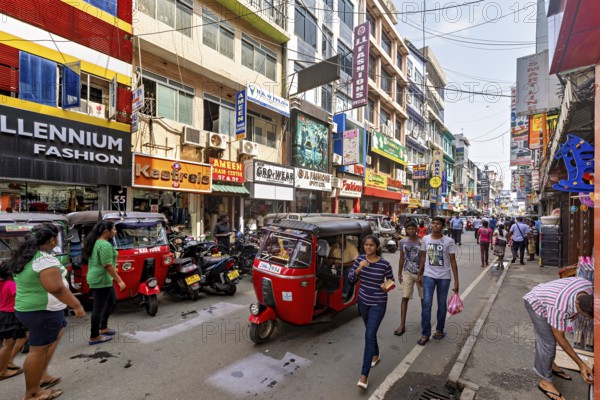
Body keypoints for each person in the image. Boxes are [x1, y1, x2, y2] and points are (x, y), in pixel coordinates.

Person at [7, 223, 85, 400]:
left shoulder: (26, 255)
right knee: (38, 350)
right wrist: (76, 304)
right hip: (42, 311)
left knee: (52, 338)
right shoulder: (44, 259)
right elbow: (56, 288)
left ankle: (41, 375)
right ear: (51, 240)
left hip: (30, 309)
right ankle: (33, 393)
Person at [523, 277, 594, 399]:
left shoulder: (589, 287)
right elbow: (560, 338)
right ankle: (545, 382)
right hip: (535, 301)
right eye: (583, 315)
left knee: (549, 341)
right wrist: (581, 364)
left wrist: (577, 313)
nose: (585, 319)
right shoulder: (560, 307)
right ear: (576, 304)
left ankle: (550, 365)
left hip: (549, 296)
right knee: (548, 343)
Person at [347, 235, 394, 390]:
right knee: (370, 333)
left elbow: (391, 282)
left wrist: (384, 286)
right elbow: (350, 279)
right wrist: (359, 268)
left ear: (377, 247)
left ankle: (364, 375)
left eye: (371, 245)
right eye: (366, 245)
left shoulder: (384, 264)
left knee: (368, 335)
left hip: (378, 303)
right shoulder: (359, 259)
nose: (368, 247)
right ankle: (376, 355)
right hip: (363, 302)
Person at [417, 216, 459, 346]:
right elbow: (423, 256)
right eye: (433, 223)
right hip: (428, 276)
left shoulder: (449, 241)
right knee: (426, 304)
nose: (435, 225)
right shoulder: (425, 239)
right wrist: (420, 273)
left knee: (441, 304)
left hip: (444, 277)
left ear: (443, 226)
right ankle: (425, 334)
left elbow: (452, 260)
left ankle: (440, 330)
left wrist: (457, 281)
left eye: (438, 224)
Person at [83, 221, 126, 345]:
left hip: (103, 278)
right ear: (106, 231)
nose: (115, 231)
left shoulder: (97, 242)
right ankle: (94, 336)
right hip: (100, 279)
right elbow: (108, 265)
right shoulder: (104, 245)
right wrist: (120, 281)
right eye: (114, 229)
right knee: (98, 308)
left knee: (112, 300)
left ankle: (103, 327)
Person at [0, 262, 28, 380]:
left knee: (18, 338)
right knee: (9, 342)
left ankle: (9, 362)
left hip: (4, 315)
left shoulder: (2, 283)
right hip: (11, 315)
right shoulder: (11, 284)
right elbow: (20, 298)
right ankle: (2, 371)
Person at [394, 222, 422, 337]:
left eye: (413, 229)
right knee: (405, 297)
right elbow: (401, 258)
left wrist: (422, 273)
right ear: (406, 230)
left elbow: (425, 258)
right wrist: (399, 273)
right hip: (407, 272)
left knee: (424, 298)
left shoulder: (422, 242)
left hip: (421, 273)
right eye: (409, 229)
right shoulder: (402, 242)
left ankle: (424, 320)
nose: (411, 231)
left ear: (416, 229)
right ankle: (402, 324)